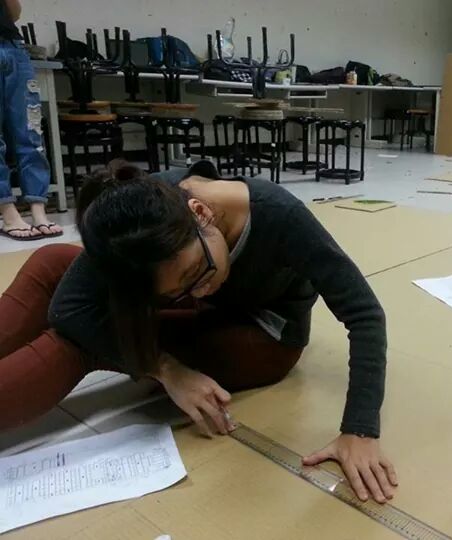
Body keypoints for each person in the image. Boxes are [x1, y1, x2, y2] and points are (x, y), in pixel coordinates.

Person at [0, 160, 395, 504]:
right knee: (53, 261)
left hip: (262, 334)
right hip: (210, 311)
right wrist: (166, 368)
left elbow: (365, 314)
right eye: (176, 290)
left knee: (81, 341)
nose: (199, 289)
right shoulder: (153, 205)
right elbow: (68, 306)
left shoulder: (281, 216)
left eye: (195, 273)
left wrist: (360, 431)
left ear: (201, 212)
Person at [0, 0, 62, 240]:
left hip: (13, 46)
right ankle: (8, 213)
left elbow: (14, 14)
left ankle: (38, 210)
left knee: (31, 131)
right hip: (12, 51)